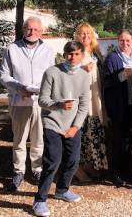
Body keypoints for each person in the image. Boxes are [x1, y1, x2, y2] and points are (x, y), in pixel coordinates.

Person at [32, 41, 89, 217]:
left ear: (82, 55)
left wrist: (75, 127)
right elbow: (42, 100)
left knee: (73, 160)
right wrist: (59, 105)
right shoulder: (52, 72)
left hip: (72, 125)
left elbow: (84, 105)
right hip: (53, 122)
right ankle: (39, 200)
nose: (73, 58)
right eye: (69, 54)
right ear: (64, 55)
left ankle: (62, 190)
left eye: (77, 54)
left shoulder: (84, 76)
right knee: (53, 161)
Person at [0, 16, 55, 191]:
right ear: (24, 29)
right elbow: (3, 75)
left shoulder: (48, 51)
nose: (32, 32)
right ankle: (18, 171)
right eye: (29, 29)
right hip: (19, 101)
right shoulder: (12, 49)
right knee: (19, 139)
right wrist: (18, 88)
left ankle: (37, 170)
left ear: (41, 31)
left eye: (36, 30)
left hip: (40, 102)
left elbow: (52, 76)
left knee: (38, 139)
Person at [103, 29, 132, 185]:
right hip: (119, 106)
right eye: (122, 41)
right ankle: (116, 173)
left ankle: (128, 171)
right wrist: (121, 75)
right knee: (118, 140)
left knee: (130, 140)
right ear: (117, 42)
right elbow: (106, 83)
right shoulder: (112, 58)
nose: (125, 43)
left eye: (128, 40)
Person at [74, 22, 108, 182]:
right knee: (82, 134)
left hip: (96, 100)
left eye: (89, 33)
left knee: (93, 133)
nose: (86, 36)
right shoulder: (75, 52)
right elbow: (66, 73)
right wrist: (81, 70)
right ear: (77, 36)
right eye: (82, 33)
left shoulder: (97, 52)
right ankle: (77, 169)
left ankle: (89, 166)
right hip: (83, 101)